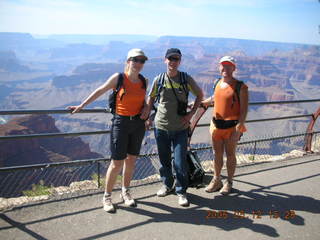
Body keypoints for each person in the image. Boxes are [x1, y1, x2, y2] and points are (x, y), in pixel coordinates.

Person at [68, 48, 149, 213]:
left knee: (131, 160)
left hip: (138, 124)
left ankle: (125, 192)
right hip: (121, 123)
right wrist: (82, 106)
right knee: (117, 162)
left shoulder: (144, 80)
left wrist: (147, 109)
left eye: (142, 61)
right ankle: (107, 196)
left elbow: (145, 99)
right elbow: (99, 90)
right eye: (136, 60)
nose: (139, 63)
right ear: (128, 61)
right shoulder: (118, 78)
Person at [141, 48, 203, 206]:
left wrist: (191, 115)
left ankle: (181, 191)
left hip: (180, 129)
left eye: (176, 59)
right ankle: (167, 185)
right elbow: (151, 98)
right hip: (160, 126)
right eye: (170, 59)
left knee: (180, 162)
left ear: (180, 61)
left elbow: (200, 95)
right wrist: (147, 118)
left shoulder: (185, 78)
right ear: (165, 60)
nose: (173, 62)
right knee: (164, 160)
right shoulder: (159, 79)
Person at [201, 56, 249, 195]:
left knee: (230, 154)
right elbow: (214, 98)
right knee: (217, 154)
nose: (225, 69)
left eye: (229, 66)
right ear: (219, 67)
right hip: (216, 126)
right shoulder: (217, 82)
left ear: (234, 68)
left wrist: (239, 128)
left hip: (232, 127)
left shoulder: (241, 87)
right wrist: (201, 102)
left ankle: (229, 182)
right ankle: (217, 180)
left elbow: (244, 109)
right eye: (223, 65)